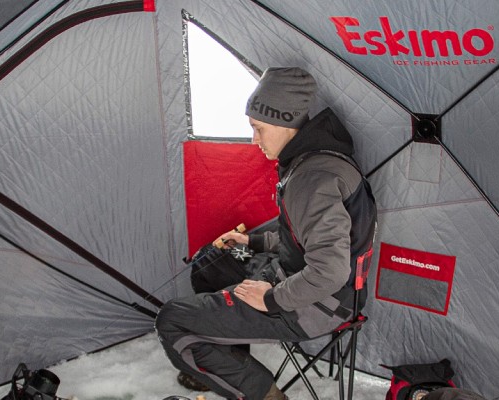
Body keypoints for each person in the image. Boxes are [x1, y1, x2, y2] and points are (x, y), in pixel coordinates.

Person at [156, 67, 377, 400]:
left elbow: (330, 271)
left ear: (284, 121)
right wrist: (252, 241)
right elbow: (302, 237)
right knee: (209, 261)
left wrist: (270, 298)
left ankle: (265, 394)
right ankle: (226, 360)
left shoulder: (312, 179)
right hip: (293, 275)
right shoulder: (313, 160)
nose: (253, 140)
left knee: (172, 321)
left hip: (313, 305)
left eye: (258, 129)